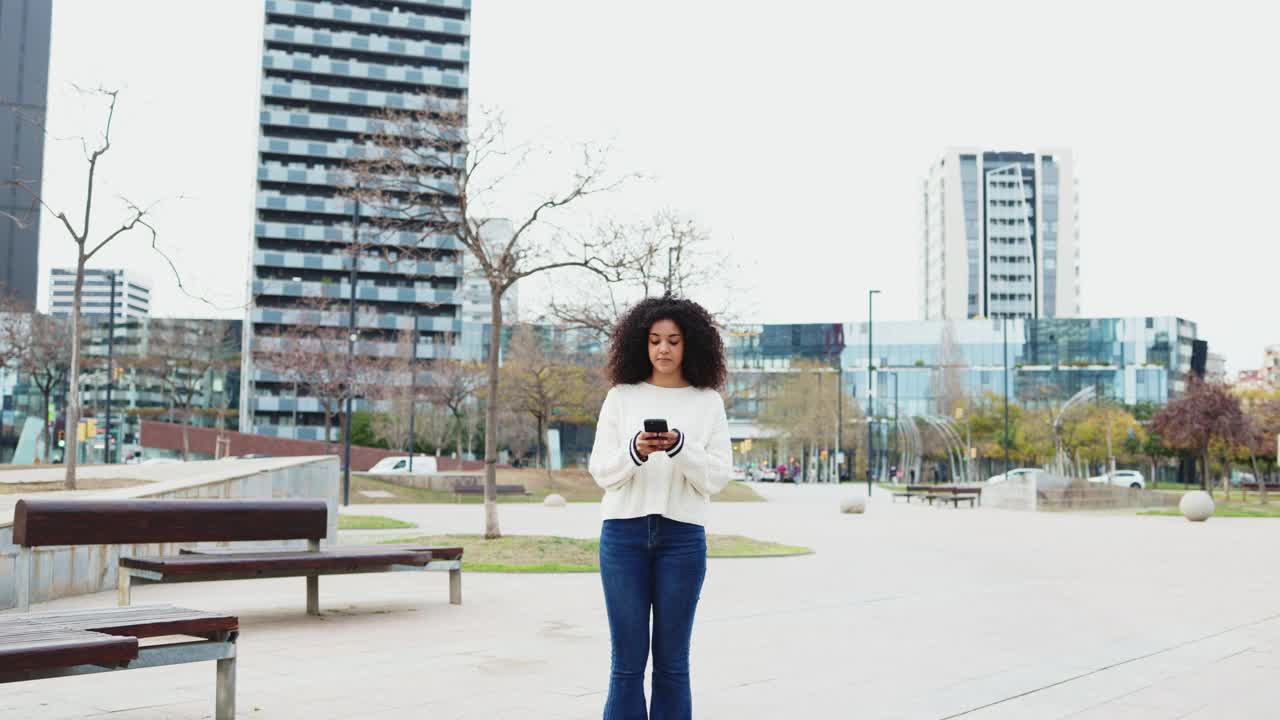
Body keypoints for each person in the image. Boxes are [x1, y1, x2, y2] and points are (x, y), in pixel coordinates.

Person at [588, 295, 732, 720]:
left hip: (683, 540)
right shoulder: (621, 397)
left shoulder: (708, 402)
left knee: (672, 665)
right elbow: (601, 471)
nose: (663, 349)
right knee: (627, 665)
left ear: (692, 345)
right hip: (623, 536)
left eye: (673, 340)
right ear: (642, 344)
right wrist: (635, 450)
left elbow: (717, 478)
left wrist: (680, 448)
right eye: (654, 340)